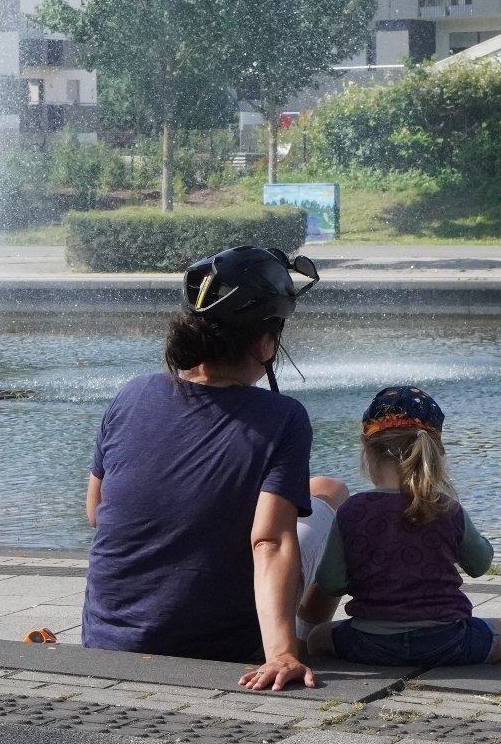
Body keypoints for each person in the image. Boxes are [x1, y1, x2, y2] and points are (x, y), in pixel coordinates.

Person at [83, 246, 348, 692]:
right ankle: (300, 638)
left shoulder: (132, 394)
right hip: (222, 645)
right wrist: (278, 653)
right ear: (265, 341)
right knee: (334, 493)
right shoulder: (283, 417)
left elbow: (98, 512)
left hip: (108, 640)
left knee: (314, 487)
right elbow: (269, 540)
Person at [305, 385, 501, 668]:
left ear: (366, 446)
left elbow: (331, 582)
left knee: (316, 638)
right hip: (449, 640)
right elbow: (480, 564)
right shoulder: (446, 507)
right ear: (434, 451)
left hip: (369, 642)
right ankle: (470, 680)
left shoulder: (353, 510)